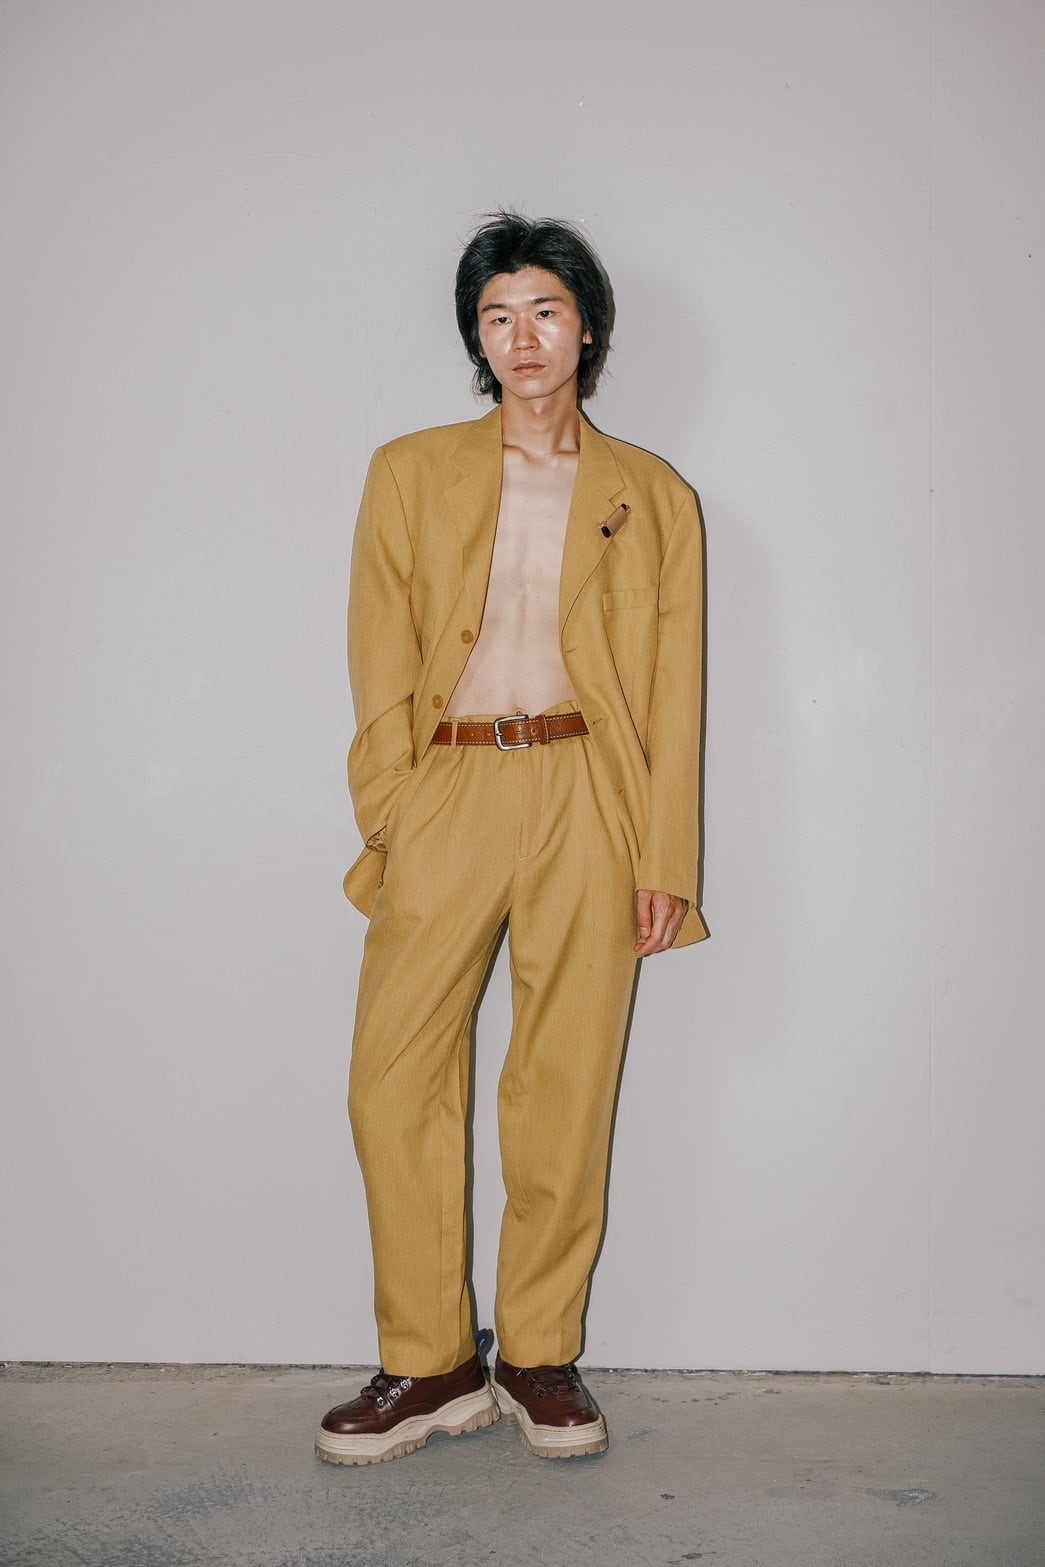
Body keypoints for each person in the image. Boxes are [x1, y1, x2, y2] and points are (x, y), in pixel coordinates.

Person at [316, 212, 707, 1466]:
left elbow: (675, 692)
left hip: (590, 789)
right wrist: (393, 803)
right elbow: (377, 647)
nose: (521, 336)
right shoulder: (408, 470)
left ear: (586, 327)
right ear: (475, 338)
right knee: (392, 1077)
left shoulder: (653, 493)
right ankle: (430, 1362)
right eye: (496, 315)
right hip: (450, 783)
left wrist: (664, 859)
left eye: (543, 310)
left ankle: (538, 1355)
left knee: (566, 1079)